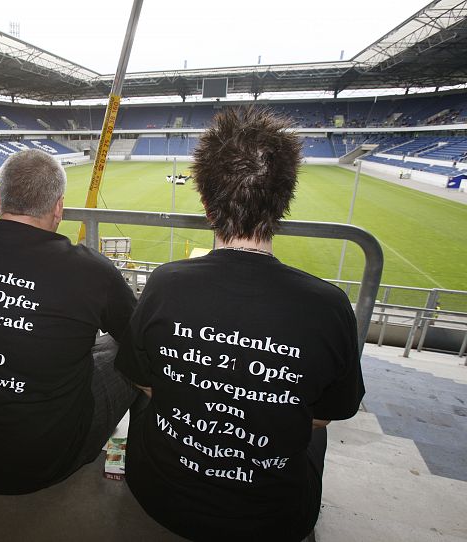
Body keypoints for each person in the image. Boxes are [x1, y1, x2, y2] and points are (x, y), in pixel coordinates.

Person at [114, 107, 365, 542]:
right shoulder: (329, 306)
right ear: (284, 200)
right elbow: (325, 417)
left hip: (157, 496)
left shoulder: (164, 284)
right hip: (272, 522)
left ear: (208, 205)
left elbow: (146, 385)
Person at [0, 148, 139, 494]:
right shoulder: (89, 270)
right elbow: (137, 337)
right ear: (58, 207)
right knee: (128, 353)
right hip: (38, 463)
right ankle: (147, 466)